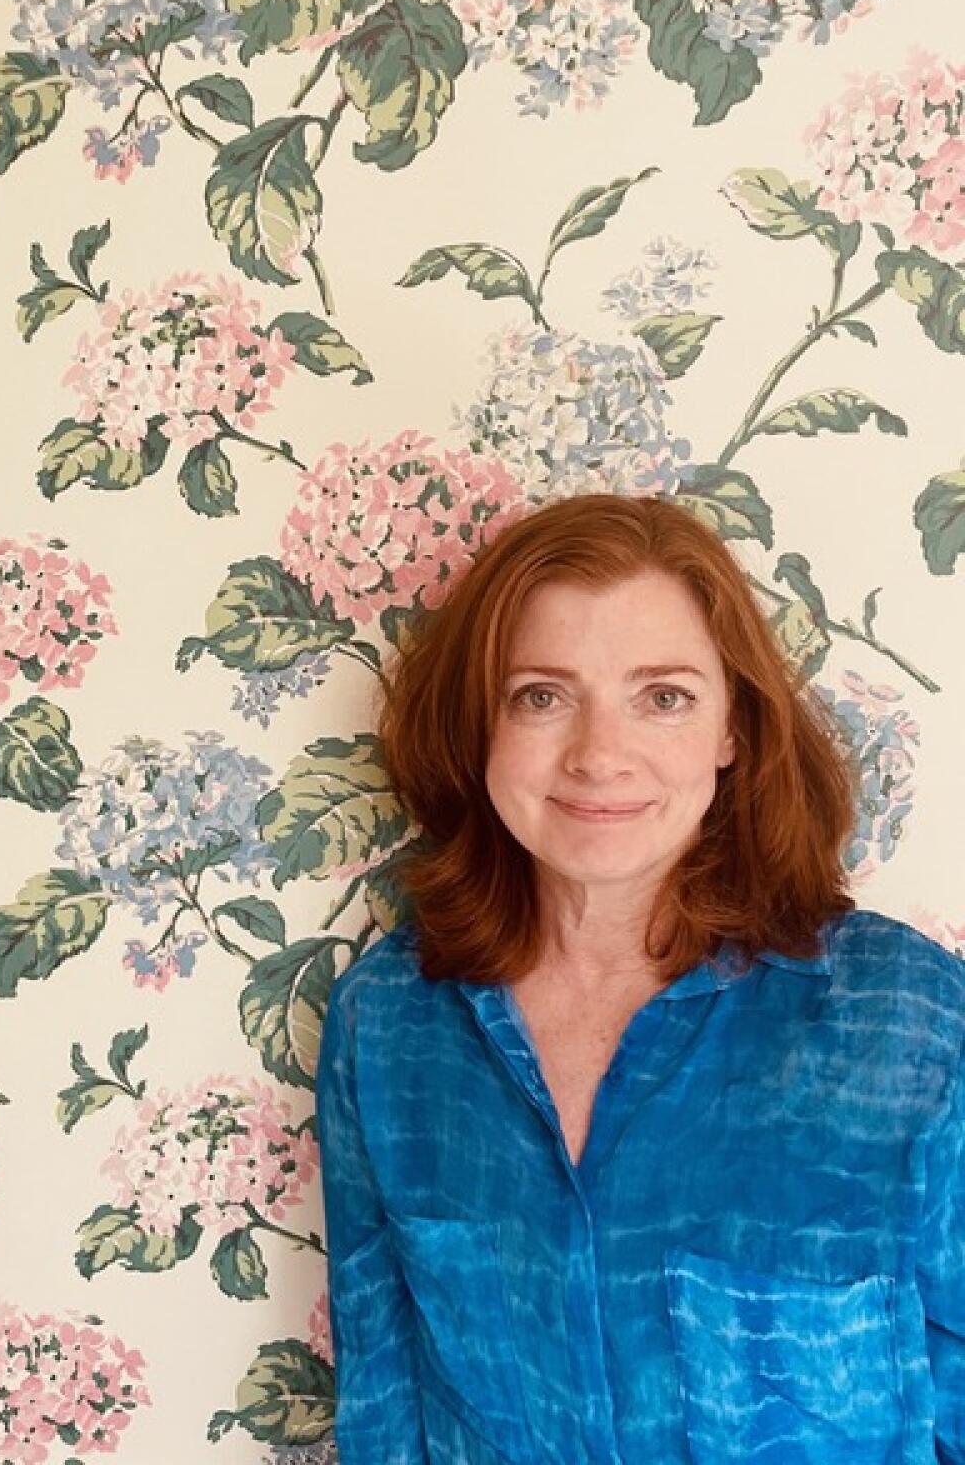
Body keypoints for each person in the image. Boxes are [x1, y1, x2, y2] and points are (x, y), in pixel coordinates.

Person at [314, 493, 965, 1465]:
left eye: (663, 695)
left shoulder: (907, 1016)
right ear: (481, 723)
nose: (599, 756)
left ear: (732, 728)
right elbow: (385, 1397)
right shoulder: (390, 1023)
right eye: (542, 693)